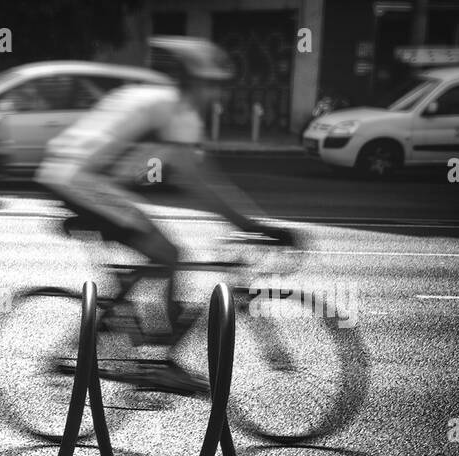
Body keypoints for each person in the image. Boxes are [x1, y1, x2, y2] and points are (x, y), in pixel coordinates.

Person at [36, 36, 293, 393]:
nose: (218, 96)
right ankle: (158, 362)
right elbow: (199, 181)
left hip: (69, 177)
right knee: (168, 254)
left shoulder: (154, 99)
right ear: (193, 81)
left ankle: (121, 333)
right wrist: (251, 225)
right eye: (213, 86)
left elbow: (182, 173)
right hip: (80, 182)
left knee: (158, 257)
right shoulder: (177, 109)